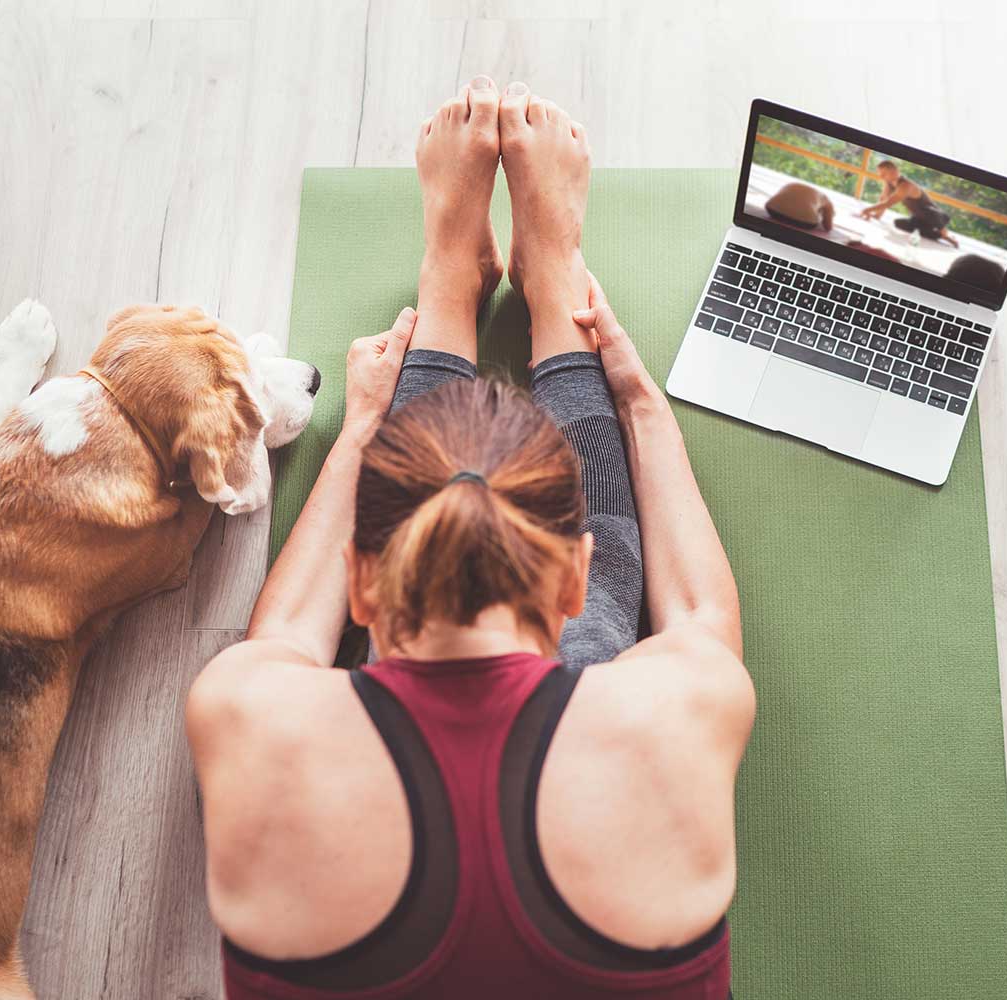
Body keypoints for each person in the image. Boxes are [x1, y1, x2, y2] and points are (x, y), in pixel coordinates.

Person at [186, 77, 754, 999]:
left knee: (446, 625)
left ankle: (450, 287)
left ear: (359, 584)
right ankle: (551, 288)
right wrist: (641, 404)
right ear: (576, 573)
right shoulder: (667, 716)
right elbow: (696, 616)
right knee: (589, 656)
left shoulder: (250, 720)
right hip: (556, 649)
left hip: (411, 631)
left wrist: (364, 425)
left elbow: (288, 639)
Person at [859, 160, 960, 247]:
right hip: (919, 218)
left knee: (927, 211)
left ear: (895, 171)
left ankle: (944, 233)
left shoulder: (905, 185)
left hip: (936, 217)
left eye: (884, 174)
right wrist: (876, 216)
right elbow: (884, 199)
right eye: (880, 174)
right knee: (899, 223)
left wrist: (866, 210)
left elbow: (888, 203)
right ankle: (938, 235)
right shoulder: (889, 183)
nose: (881, 177)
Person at [765, 180, 835, 232]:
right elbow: (828, 227)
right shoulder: (827, 201)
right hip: (806, 221)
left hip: (773, 208)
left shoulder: (793, 184)